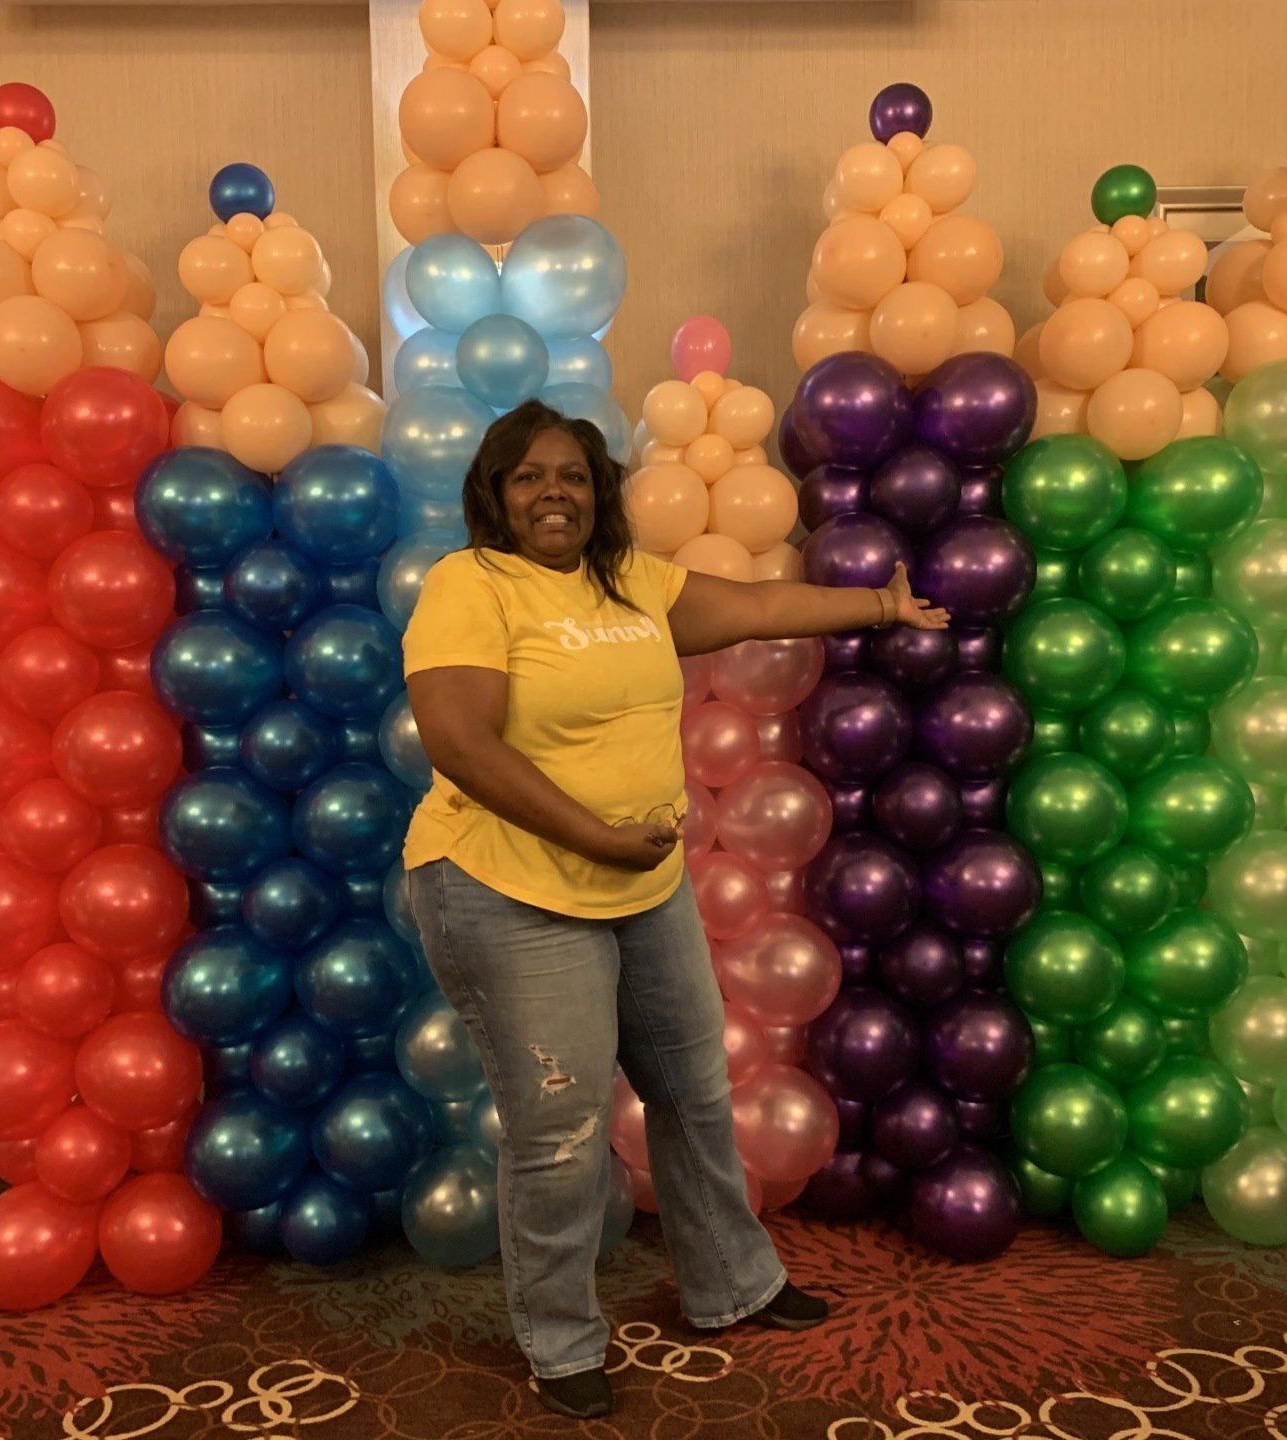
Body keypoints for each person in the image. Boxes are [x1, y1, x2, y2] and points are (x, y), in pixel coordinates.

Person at [402, 399, 949, 1420]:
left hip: (639, 885)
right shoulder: (469, 584)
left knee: (695, 1090)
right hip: (509, 886)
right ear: (496, 494)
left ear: (598, 490)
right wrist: (596, 837)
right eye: (529, 477)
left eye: (571, 474)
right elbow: (462, 743)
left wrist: (879, 606)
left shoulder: (630, 584)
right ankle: (562, 1341)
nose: (552, 491)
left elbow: (749, 606)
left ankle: (733, 1284)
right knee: (560, 1130)